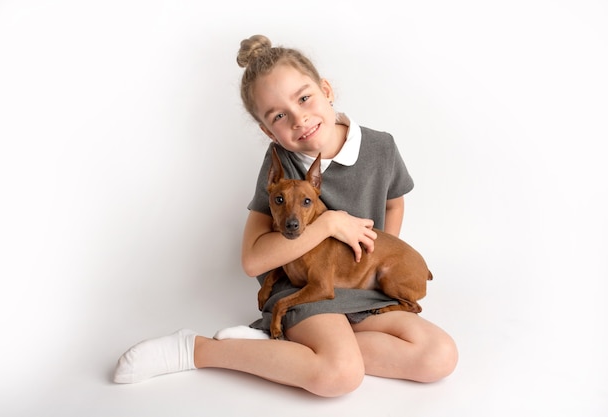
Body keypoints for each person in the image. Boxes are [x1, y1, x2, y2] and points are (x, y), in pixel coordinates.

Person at [113, 34, 457, 397]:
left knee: (440, 356)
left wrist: (377, 257)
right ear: (267, 130)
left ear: (326, 90)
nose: (299, 118)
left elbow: (394, 201)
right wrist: (328, 223)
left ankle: (287, 347)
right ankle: (199, 350)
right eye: (279, 115)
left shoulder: (380, 147)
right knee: (340, 376)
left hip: (363, 290)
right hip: (303, 289)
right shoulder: (281, 165)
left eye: (305, 97)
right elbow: (253, 260)